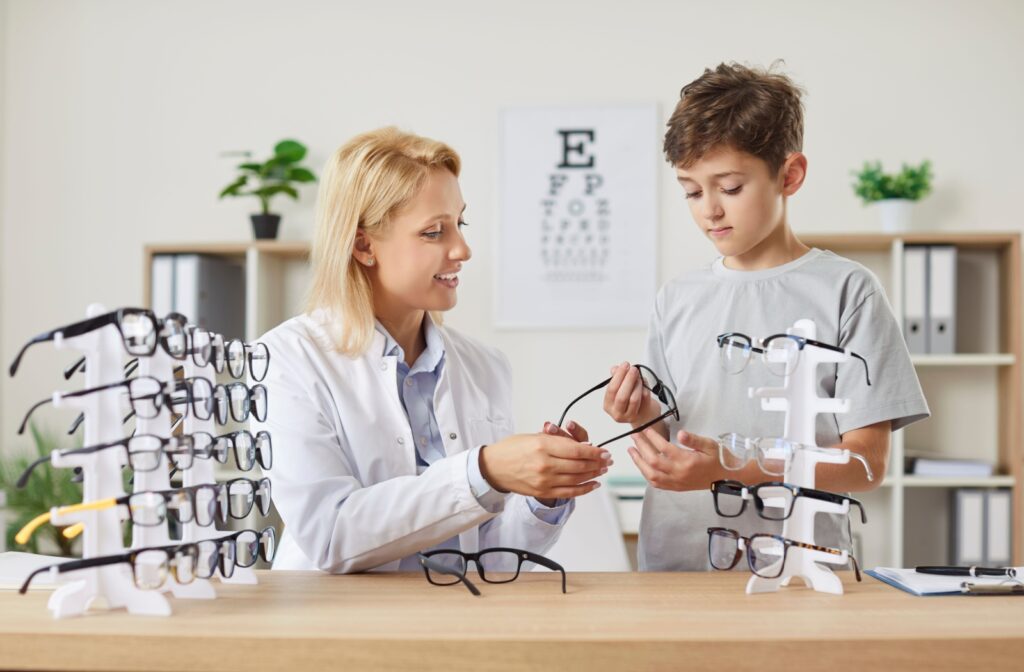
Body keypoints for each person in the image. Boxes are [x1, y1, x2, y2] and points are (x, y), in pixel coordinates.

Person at [597, 63, 930, 571]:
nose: (709, 210)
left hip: (804, 571)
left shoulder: (847, 291)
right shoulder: (676, 297)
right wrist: (637, 413)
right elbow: (668, 437)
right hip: (676, 565)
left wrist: (735, 470)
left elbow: (865, 465)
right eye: (691, 191)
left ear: (789, 175)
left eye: (729, 187)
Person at [254, 127, 610, 573]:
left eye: (459, 224)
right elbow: (331, 534)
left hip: (455, 625)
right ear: (364, 244)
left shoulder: (484, 367)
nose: (462, 248)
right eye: (433, 232)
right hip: (336, 629)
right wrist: (483, 471)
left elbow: (491, 555)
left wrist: (542, 497)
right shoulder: (286, 359)